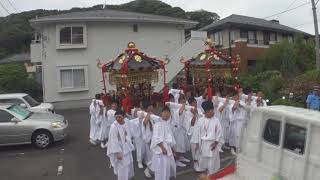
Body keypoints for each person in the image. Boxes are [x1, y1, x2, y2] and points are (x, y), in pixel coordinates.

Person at [191, 100, 222, 175]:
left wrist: (216, 143)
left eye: (212, 110)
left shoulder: (216, 120)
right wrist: (197, 144)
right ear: (205, 112)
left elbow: (219, 132)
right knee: (203, 159)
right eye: (210, 111)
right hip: (203, 144)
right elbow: (196, 133)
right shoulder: (200, 120)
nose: (212, 112)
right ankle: (204, 171)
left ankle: (211, 174)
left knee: (212, 160)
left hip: (212, 144)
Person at [107, 110, 135, 180]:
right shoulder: (114, 126)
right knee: (122, 167)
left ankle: (128, 177)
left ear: (124, 116)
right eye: (116, 117)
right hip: (119, 151)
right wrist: (118, 153)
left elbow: (130, 132)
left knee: (129, 163)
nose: (118, 119)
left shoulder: (127, 122)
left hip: (127, 147)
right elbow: (113, 141)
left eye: (120, 117)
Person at [150, 106, 177, 180]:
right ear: (161, 114)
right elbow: (156, 138)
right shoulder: (158, 124)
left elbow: (171, 137)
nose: (166, 114)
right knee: (160, 170)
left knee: (167, 169)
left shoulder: (167, 124)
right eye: (164, 112)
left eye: (168, 113)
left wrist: (174, 149)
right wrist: (163, 148)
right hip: (160, 151)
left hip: (167, 150)